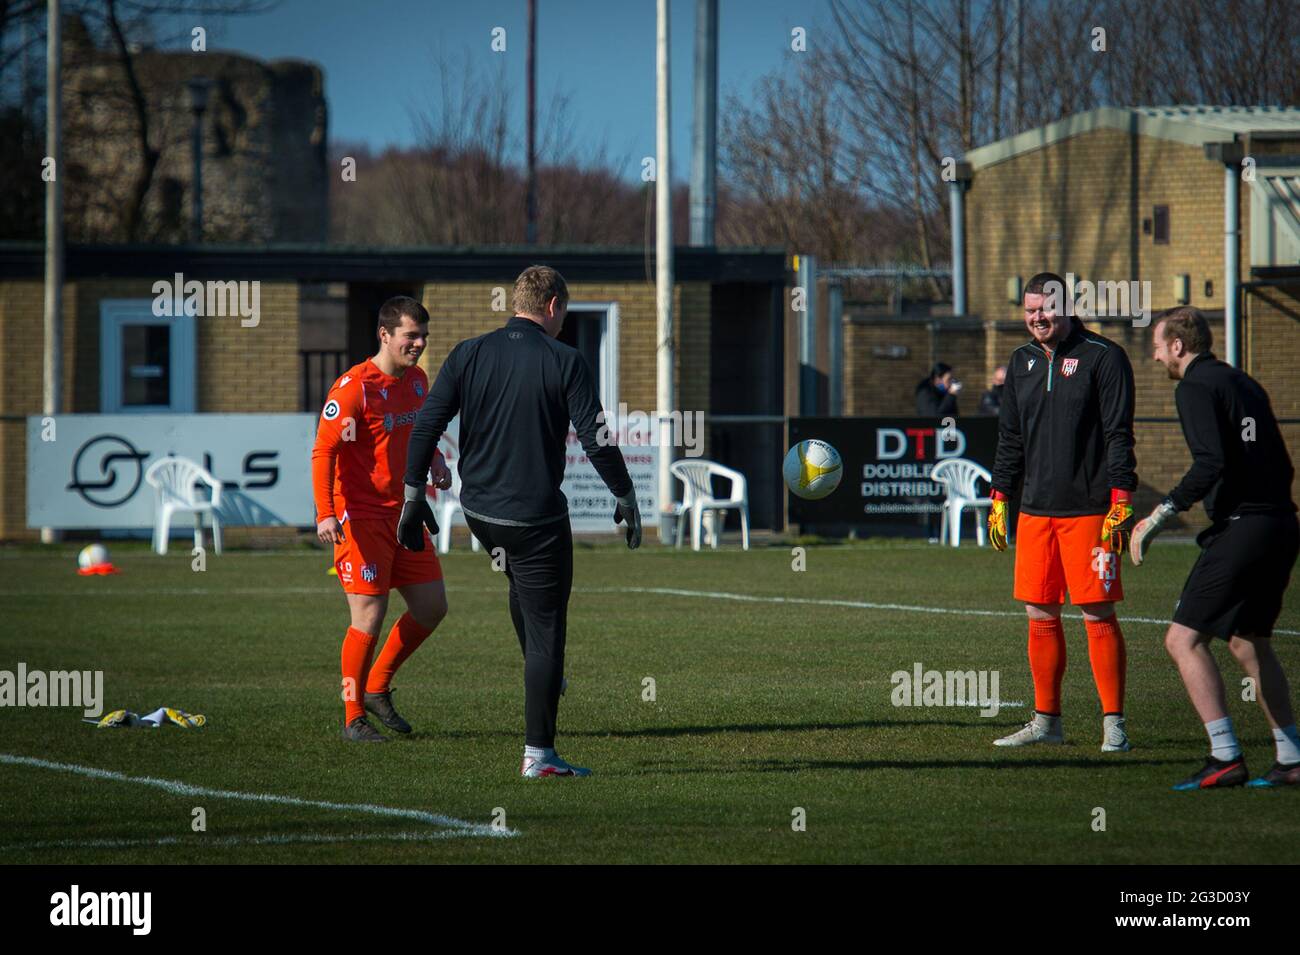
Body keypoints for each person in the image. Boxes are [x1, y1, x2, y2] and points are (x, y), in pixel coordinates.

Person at [400, 265, 640, 778]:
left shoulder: (469, 352)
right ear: (552, 306)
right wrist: (625, 494)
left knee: (522, 589)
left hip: (480, 513)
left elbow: (426, 424)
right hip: (534, 519)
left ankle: (540, 665)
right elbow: (596, 436)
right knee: (549, 631)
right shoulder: (564, 359)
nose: (563, 322)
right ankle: (540, 755)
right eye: (565, 313)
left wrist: (412, 496)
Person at [1132, 307, 1300, 789]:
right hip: (1281, 523)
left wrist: (1159, 517)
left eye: (1159, 344)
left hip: (1245, 527)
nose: (1156, 352)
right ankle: (1290, 758)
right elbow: (1278, 463)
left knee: (1182, 640)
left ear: (1179, 346)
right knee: (1249, 643)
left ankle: (1224, 755)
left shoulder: (1194, 386)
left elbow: (1210, 462)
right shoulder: (1243, 382)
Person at [987, 271, 1137, 751]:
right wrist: (999, 497)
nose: (1037, 317)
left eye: (1045, 309)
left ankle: (1114, 722)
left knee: (1096, 610)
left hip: (1091, 510)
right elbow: (1009, 437)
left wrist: (1121, 499)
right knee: (1038, 610)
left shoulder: (1105, 357)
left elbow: (1118, 433)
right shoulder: (1021, 361)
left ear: (1067, 307)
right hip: (1034, 510)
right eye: (1030, 310)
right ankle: (1047, 722)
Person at [311, 296, 453, 742]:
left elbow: (419, 432)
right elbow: (323, 451)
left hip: (404, 514)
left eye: (423, 336)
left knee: (432, 607)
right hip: (361, 517)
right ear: (385, 335)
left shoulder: (416, 381)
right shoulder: (354, 387)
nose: (419, 344)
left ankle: (376, 686)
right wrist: (325, 514)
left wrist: (434, 461)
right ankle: (354, 716)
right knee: (369, 613)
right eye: (412, 336)